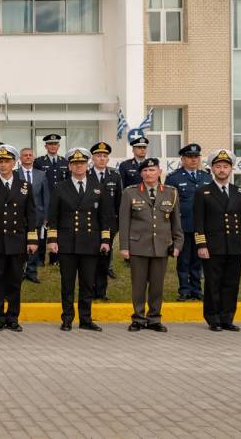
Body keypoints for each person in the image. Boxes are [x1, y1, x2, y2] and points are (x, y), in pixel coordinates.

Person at [47, 148, 111, 332]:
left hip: (90, 242)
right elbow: (53, 216)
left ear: (87, 165)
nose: (78, 166)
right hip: (67, 243)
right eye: (75, 164)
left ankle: (86, 319)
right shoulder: (61, 187)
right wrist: (52, 239)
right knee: (67, 284)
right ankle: (67, 318)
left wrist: (105, 240)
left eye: (82, 163)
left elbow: (105, 217)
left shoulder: (98, 187)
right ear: (69, 166)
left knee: (87, 283)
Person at [0, 145, 38, 332]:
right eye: (0, 161)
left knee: (15, 281)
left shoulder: (25, 186)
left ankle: (13, 317)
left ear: (14, 163)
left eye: (7, 161)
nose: (3, 165)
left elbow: (31, 215)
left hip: (17, 241)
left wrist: (32, 240)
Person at [119, 158, 182, 332]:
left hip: (161, 246)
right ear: (141, 174)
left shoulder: (171, 193)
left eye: (152, 170)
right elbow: (124, 222)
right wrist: (124, 246)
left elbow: (176, 222)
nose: (148, 174)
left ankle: (154, 318)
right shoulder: (130, 193)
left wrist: (177, 243)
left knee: (157, 285)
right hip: (138, 245)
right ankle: (138, 318)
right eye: (145, 171)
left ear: (160, 172)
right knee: (138, 285)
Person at [193, 149, 241, 331]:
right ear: (212, 169)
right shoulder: (203, 192)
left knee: (231, 283)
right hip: (213, 246)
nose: (222, 170)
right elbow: (198, 221)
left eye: (225, 166)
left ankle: (227, 318)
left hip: (234, 246)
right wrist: (201, 244)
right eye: (218, 166)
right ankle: (213, 318)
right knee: (213, 283)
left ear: (231, 169)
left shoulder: (239, 192)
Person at [166, 143, 211, 302]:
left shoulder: (207, 177)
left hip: (202, 228)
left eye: (196, 157)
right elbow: (169, 205)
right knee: (184, 260)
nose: (193, 160)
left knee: (198, 260)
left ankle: (196, 290)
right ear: (183, 159)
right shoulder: (174, 178)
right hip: (183, 227)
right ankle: (184, 290)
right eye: (190, 157)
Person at [88, 141, 124, 298]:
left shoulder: (114, 177)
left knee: (104, 258)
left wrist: (117, 224)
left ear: (108, 159)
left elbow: (119, 202)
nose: (101, 159)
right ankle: (89, 290)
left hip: (108, 225)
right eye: (98, 156)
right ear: (93, 159)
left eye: (104, 156)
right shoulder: (86, 175)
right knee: (89, 259)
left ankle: (101, 292)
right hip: (89, 223)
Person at [17, 147, 51, 284]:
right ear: (20, 158)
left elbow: (46, 197)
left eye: (30, 155)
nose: (28, 157)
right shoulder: (14, 174)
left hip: (37, 215)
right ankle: (19, 272)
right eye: (25, 155)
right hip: (18, 215)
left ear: (33, 158)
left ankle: (31, 272)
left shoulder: (41, 175)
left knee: (34, 244)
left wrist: (46, 215)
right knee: (19, 245)